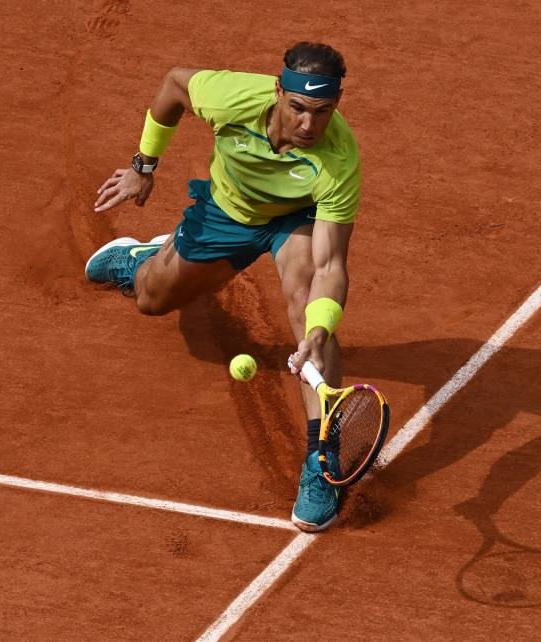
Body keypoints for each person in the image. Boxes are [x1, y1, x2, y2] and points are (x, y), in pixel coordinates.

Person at [86, 42, 360, 532]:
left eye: (323, 112)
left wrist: (320, 326)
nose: (308, 125)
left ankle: (322, 461)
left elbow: (330, 265)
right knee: (152, 299)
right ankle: (144, 258)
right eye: (298, 108)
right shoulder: (233, 98)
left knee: (305, 297)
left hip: (295, 221)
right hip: (227, 210)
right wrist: (143, 166)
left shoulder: (337, 159)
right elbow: (172, 84)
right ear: (278, 92)